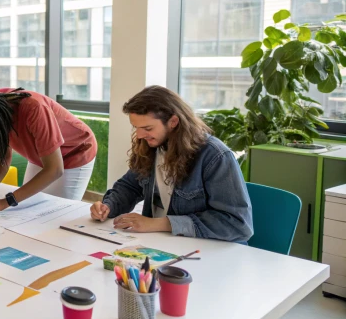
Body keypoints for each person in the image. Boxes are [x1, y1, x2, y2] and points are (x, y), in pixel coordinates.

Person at [90, 86, 253, 243]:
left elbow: (238, 224)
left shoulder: (215, 156)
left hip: (208, 248)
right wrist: (108, 206)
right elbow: (130, 187)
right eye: (136, 128)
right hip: (164, 243)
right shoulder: (151, 146)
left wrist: (160, 223)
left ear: (173, 121)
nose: (139, 135)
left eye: (147, 128)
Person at [0, 84, 97, 212]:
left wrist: (4, 202)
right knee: (28, 206)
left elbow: (54, 169)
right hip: (40, 154)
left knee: (57, 212)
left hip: (75, 152)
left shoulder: (33, 108)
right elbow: (4, 156)